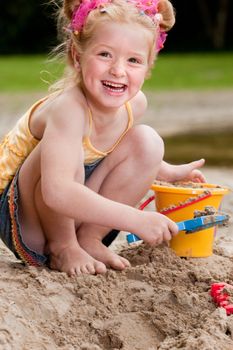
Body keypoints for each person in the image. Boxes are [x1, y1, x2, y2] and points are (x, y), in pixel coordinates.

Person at [0, 0, 206, 276]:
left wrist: (167, 171)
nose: (118, 70)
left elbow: (121, 150)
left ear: (147, 68)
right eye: (105, 55)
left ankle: (90, 238)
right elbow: (57, 190)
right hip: (25, 222)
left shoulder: (135, 104)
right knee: (66, 152)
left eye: (133, 60)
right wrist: (136, 219)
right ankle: (64, 247)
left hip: (76, 210)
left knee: (148, 140)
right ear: (77, 56)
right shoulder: (68, 108)